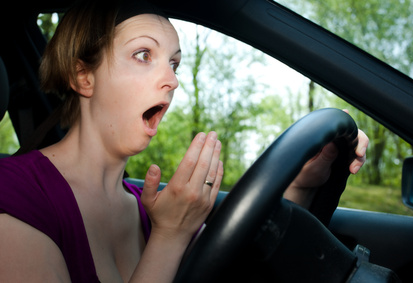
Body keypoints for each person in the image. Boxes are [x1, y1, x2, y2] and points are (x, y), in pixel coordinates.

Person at [0, 0, 369, 282]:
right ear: (84, 78)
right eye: (144, 55)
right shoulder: (14, 193)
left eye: (174, 64)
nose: (172, 81)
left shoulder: (151, 206)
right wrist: (170, 237)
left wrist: (303, 183)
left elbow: (238, 272)